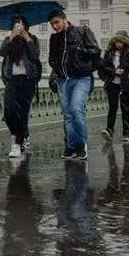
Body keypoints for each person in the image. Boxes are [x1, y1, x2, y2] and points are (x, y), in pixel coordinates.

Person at [47, 9, 101, 161]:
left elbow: (96, 51)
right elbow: (52, 59)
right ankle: (70, 147)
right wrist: (55, 70)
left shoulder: (82, 32)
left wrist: (80, 51)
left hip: (81, 78)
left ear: (65, 19)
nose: (55, 27)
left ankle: (81, 145)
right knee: (68, 115)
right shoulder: (54, 38)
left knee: (76, 109)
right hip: (63, 80)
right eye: (52, 24)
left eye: (57, 22)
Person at [0, 16, 41, 158]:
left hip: (28, 81)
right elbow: (1, 52)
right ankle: (17, 135)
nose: (18, 27)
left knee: (22, 114)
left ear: (26, 27)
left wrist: (27, 39)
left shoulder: (32, 40)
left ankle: (17, 145)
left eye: (20, 25)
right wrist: (11, 38)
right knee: (9, 113)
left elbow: (35, 56)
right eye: (15, 25)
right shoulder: (8, 40)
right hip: (12, 80)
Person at [97, 30, 129, 142]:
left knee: (125, 108)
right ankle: (109, 130)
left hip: (126, 84)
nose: (118, 44)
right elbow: (102, 66)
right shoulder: (109, 52)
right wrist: (114, 71)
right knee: (112, 107)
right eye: (116, 41)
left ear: (125, 42)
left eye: (120, 41)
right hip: (112, 84)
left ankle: (126, 133)